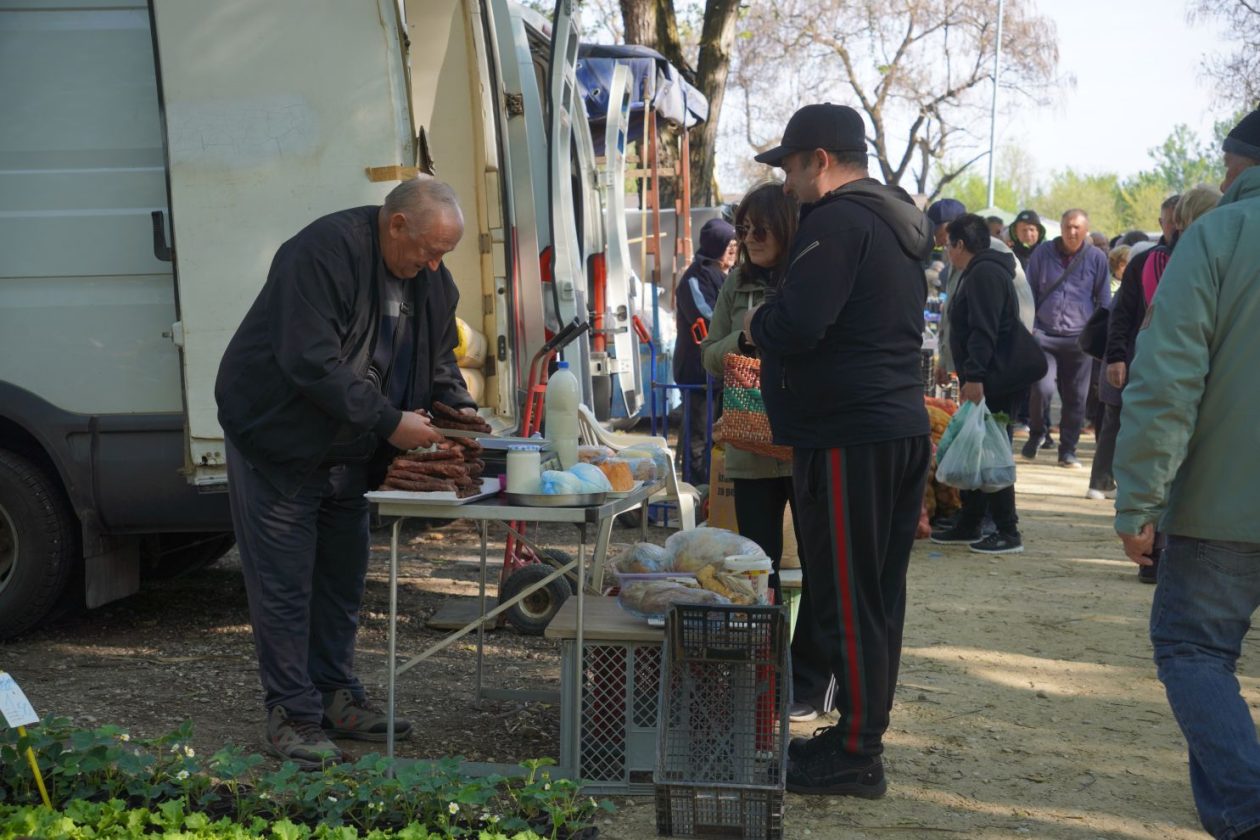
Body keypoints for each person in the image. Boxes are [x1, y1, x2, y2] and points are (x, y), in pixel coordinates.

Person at [215, 176, 477, 767]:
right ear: (396, 224)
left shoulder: (431, 277)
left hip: (351, 450)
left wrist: (453, 399)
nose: (435, 264)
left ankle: (335, 695)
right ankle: (292, 715)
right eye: (429, 249)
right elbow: (311, 361)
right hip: (278, 439)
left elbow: (439, 357)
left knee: (340, 579)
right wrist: (388, 421)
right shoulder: (320, 253)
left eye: (445, 253)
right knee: (284, 585)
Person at [745, 103, 934, 797]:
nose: (786, 185)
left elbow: (799, 323)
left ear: (820, 160)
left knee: (846, 596)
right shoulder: (896, 221)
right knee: (877, 595)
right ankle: (860, 736)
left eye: (790, 168)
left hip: (851, 433)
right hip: (890, 424)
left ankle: (856, 752)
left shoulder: (839, 219)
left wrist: (756, 320)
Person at [1113, 108, 1260, 840]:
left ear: (1240, 164)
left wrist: (1138, 498)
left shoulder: (1220, 235)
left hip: (1220, 508)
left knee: (1194, 650)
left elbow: (1167, 379)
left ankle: (1246, 812)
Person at [699, 182, 835, 724]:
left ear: (786, 228)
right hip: (749, 447)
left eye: (762, 229)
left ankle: (810, 681)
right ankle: (759, 676)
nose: (751, 239)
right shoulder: (737, 281)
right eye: (744, 230)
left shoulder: (810, 278)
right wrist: (747, 340)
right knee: (756, 571)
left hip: (804, 445)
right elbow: (710, 353)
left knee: (818, 568)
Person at [1096, 186, 1222, 579]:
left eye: (1176, 221)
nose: (1171, 229)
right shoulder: (1147, 263)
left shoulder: (1200, 262)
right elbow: (1124, 313)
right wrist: (1117, 355)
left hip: (1177, 380)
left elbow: (1165, 396)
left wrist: (1137, 509)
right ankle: (1158, 550)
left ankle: (1159, 546)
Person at [929, 214, 1026, 554]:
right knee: (977, 447)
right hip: (988, 375)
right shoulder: (982, 269)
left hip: (992, 378)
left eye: (947, 245)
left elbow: (984, 331)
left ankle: (1007, 529)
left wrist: (975, 377)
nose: (945, 252)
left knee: (991, 452)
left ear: (960, 244)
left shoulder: (984, 273)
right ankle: (970, 522)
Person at [1021, 209, 1111, 468]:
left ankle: (1067, 451)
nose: (1072, 232)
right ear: (1060, 227)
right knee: (1042, 388)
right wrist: (1032, 328)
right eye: (1068, 226)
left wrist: (1096, 336)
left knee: (1076, 398)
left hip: (1078, 339)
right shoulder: (1042, 253)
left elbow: (1103, 300)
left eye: (1077, 228)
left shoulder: (1096, 258)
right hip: (1044, 335)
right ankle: (1038, 432)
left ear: (1086, 230)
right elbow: (1029, 292)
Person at [672, 217, 737, 479]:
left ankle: (714, 493)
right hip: (697, 372)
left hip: (722, 371)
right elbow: (708, 316)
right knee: (698, 435)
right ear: (714, 246)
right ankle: (696, 494)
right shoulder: (694, 279)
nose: (733, 250)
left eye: (735, 244)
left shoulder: (730, 276)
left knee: (720, 436)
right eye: (728, 245)